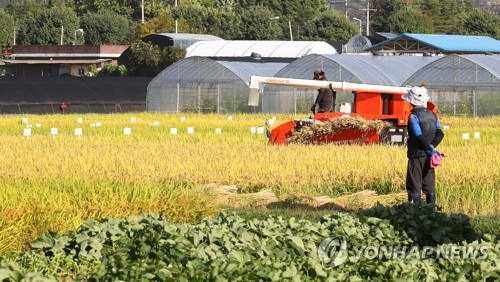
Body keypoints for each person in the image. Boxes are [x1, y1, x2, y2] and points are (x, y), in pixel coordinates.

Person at [402, 86, 444, 205]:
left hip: (416, 155)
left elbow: (418, 136)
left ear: (411, 101)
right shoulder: (433, 115)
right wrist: (431, 147)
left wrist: (427, 148)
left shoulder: (413, 116)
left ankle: (415, 213)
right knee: (429, 186)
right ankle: (431, 213)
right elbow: (440, 134)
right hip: (429, 157)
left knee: (414, 186)